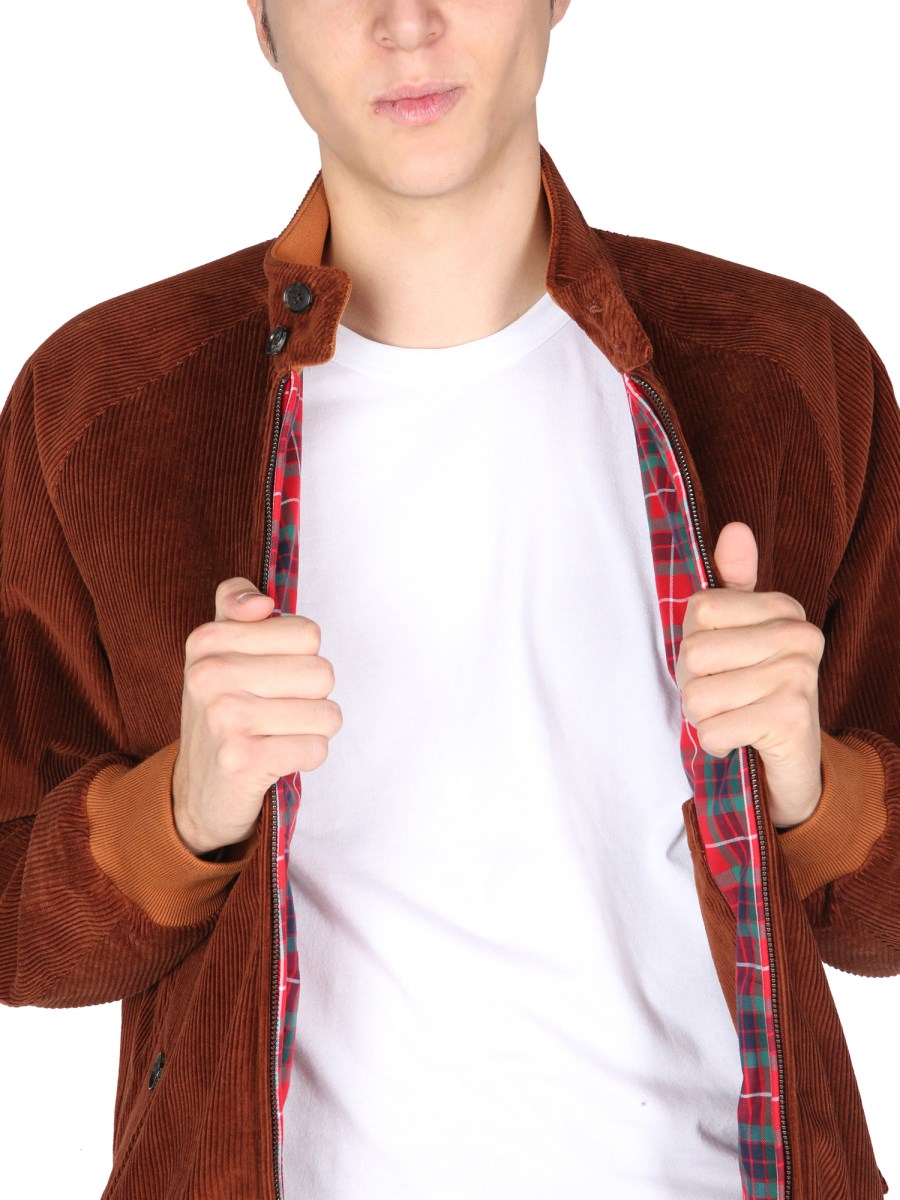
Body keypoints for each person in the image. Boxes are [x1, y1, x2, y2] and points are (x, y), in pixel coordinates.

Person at [1, 0, 897, 1196]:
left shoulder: (787, 372)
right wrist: (180, 813)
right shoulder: (106, 409)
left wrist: (811, 783)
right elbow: (18, 926)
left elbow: (883, 921)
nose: (407, 23)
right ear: (261, 20)